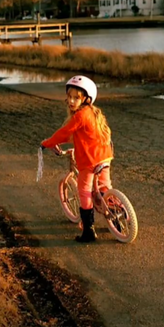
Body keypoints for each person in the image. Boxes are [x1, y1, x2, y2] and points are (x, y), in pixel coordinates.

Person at [41, 75, 113, 243]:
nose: (72, 101)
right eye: (69, 97)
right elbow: (78, 136)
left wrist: (48, 142)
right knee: (104, 186)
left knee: (84, 191)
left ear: (86, 99)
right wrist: (61, 141)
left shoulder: (80, 116)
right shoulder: (94, 113)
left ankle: (88, 231)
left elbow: (65, 132)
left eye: (76, 98)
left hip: (89, 161)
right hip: (105, 156)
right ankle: (116, 212)